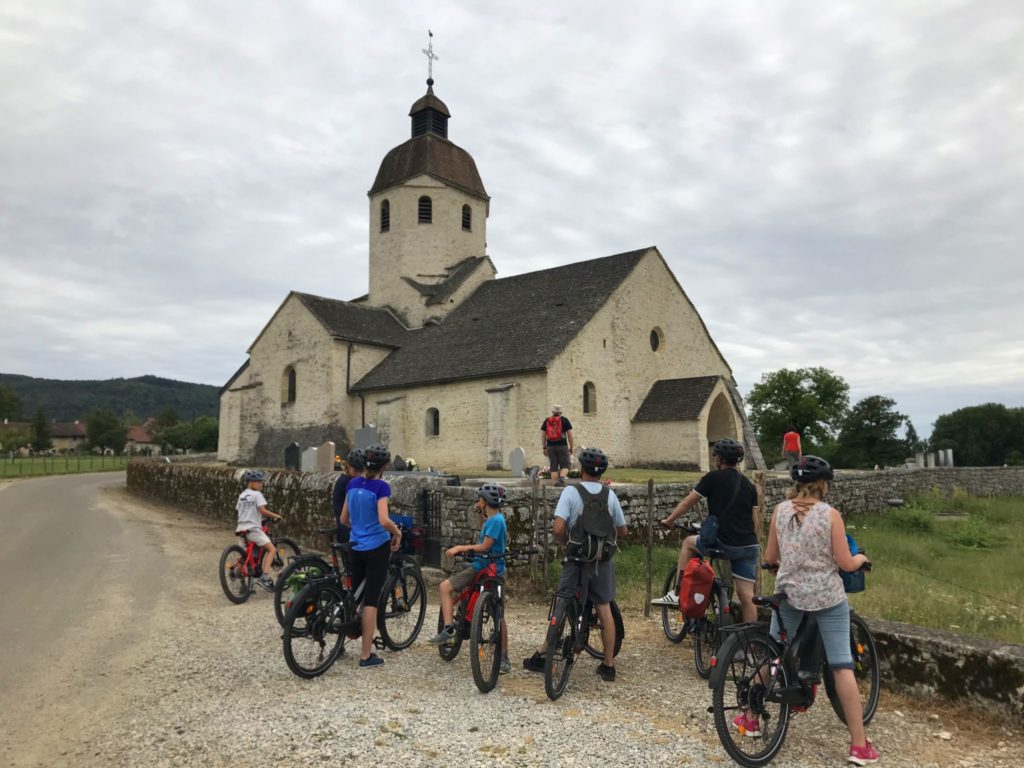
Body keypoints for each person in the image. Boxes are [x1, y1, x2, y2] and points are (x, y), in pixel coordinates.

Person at [759, 455, 877, 766]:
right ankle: (859, 745)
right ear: (823, 484)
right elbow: (845, 562)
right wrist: (862, 560)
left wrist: (784, 565)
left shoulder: (780, 511)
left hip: (788, 594)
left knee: (772, 653)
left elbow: (771, 556)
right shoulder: (830, 515)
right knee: (841, 666)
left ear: (796, 483)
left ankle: (747, 718)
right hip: (826, 597)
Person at [523, 447, 627, 681]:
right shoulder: (609, 495)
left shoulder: (571, 492)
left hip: (576, 560)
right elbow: (623, 530)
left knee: (562, 601)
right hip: (601, 561)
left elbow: (558, 528)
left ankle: (544, 651)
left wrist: (564, 543)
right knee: (604, 609)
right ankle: (608, 666)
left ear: (582, 469)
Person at [651, 438, 759, 624]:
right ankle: (750, 645)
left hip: (724, 543)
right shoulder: (748, 485)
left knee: (688, 544)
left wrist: (669, 520)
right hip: (749, 545)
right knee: (747, 597)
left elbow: (687, 502)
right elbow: (755, 520)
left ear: (720, 459)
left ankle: (676, 593)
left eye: (715, 456)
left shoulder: (713, 478)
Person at [428, 483, 511, 674]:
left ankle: (449, 628)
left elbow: (484, 547)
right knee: (498, 616)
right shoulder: (495, 518)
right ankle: (504, 657)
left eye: (479, 499)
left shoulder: (495, 521)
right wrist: (480, 511)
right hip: (494, 570)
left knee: (444, 587)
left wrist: (460, 548)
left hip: (483, 568)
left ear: (484, 501)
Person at [339, 443, 403, 668]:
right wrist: (397, 532)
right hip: (376, 547)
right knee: (371, 601)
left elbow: (343, 519)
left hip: (355, 546)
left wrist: (359, 526)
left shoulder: (353, 483)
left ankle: (342, 640)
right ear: (383, 466)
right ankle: (366, 655)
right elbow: (384, 520)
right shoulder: (381, 487)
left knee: (354, 596)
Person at [234, 469, 282, 591]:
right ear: (251, 482)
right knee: (272, 549)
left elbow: (241, 511)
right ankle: (264, 578)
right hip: (253, 529)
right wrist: (275, 515)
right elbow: (262, 510)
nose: (261, 484)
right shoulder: (257, 495)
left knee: (244, 558)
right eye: (259, 482)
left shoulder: (242, 495)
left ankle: (238, 578)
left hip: (241, 528)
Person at [332, 448, 365, 534]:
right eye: (355, 471)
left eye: (361, 471)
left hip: (345, 527)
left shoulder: (345, 479)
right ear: (348, 467)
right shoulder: (347, 482)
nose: (358, 474)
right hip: (347, 530)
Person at [540, 405, 575, 486]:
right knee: (565, 466)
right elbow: (570, 435)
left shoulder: (547, 421)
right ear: (560, 412)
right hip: (562, 446)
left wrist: (544, 447)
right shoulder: (564, 420)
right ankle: (561, 479)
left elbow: (543, 435)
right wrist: (571, 447)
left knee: (553, 468)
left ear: (552, 412)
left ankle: (554, 487)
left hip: (550, 447)